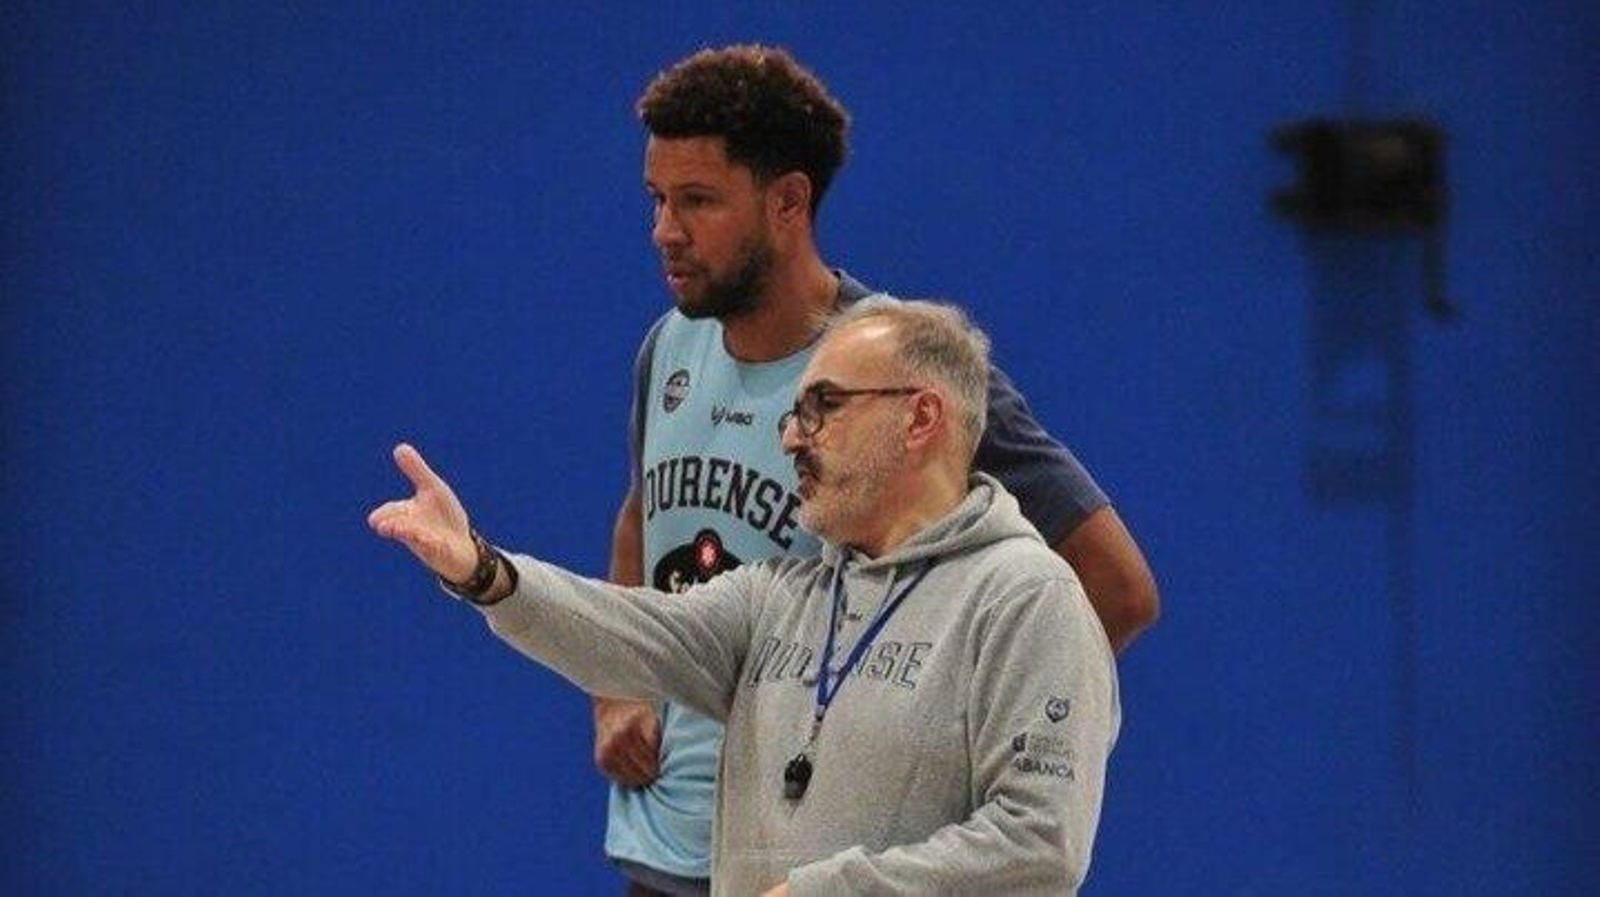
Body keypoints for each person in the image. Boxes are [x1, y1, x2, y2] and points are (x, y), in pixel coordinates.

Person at [592, 44, 1157, 895]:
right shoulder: (669, 344)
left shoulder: (905, 369)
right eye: (657, 199)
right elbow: (644, 519)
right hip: (669, 852)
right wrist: (619, 690)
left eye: (698, 201)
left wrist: (915, 747)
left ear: (788, 201)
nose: (664, 231)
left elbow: (1116, 586)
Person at [369, 299, 1120, 895]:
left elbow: (1038, 843)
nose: (793, 437)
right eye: (795, 412)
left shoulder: (1028, 599)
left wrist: (823, 893)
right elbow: (629, 628)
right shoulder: (783, 595)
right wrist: (484, 570)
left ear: (920, 418)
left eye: (824, 405)